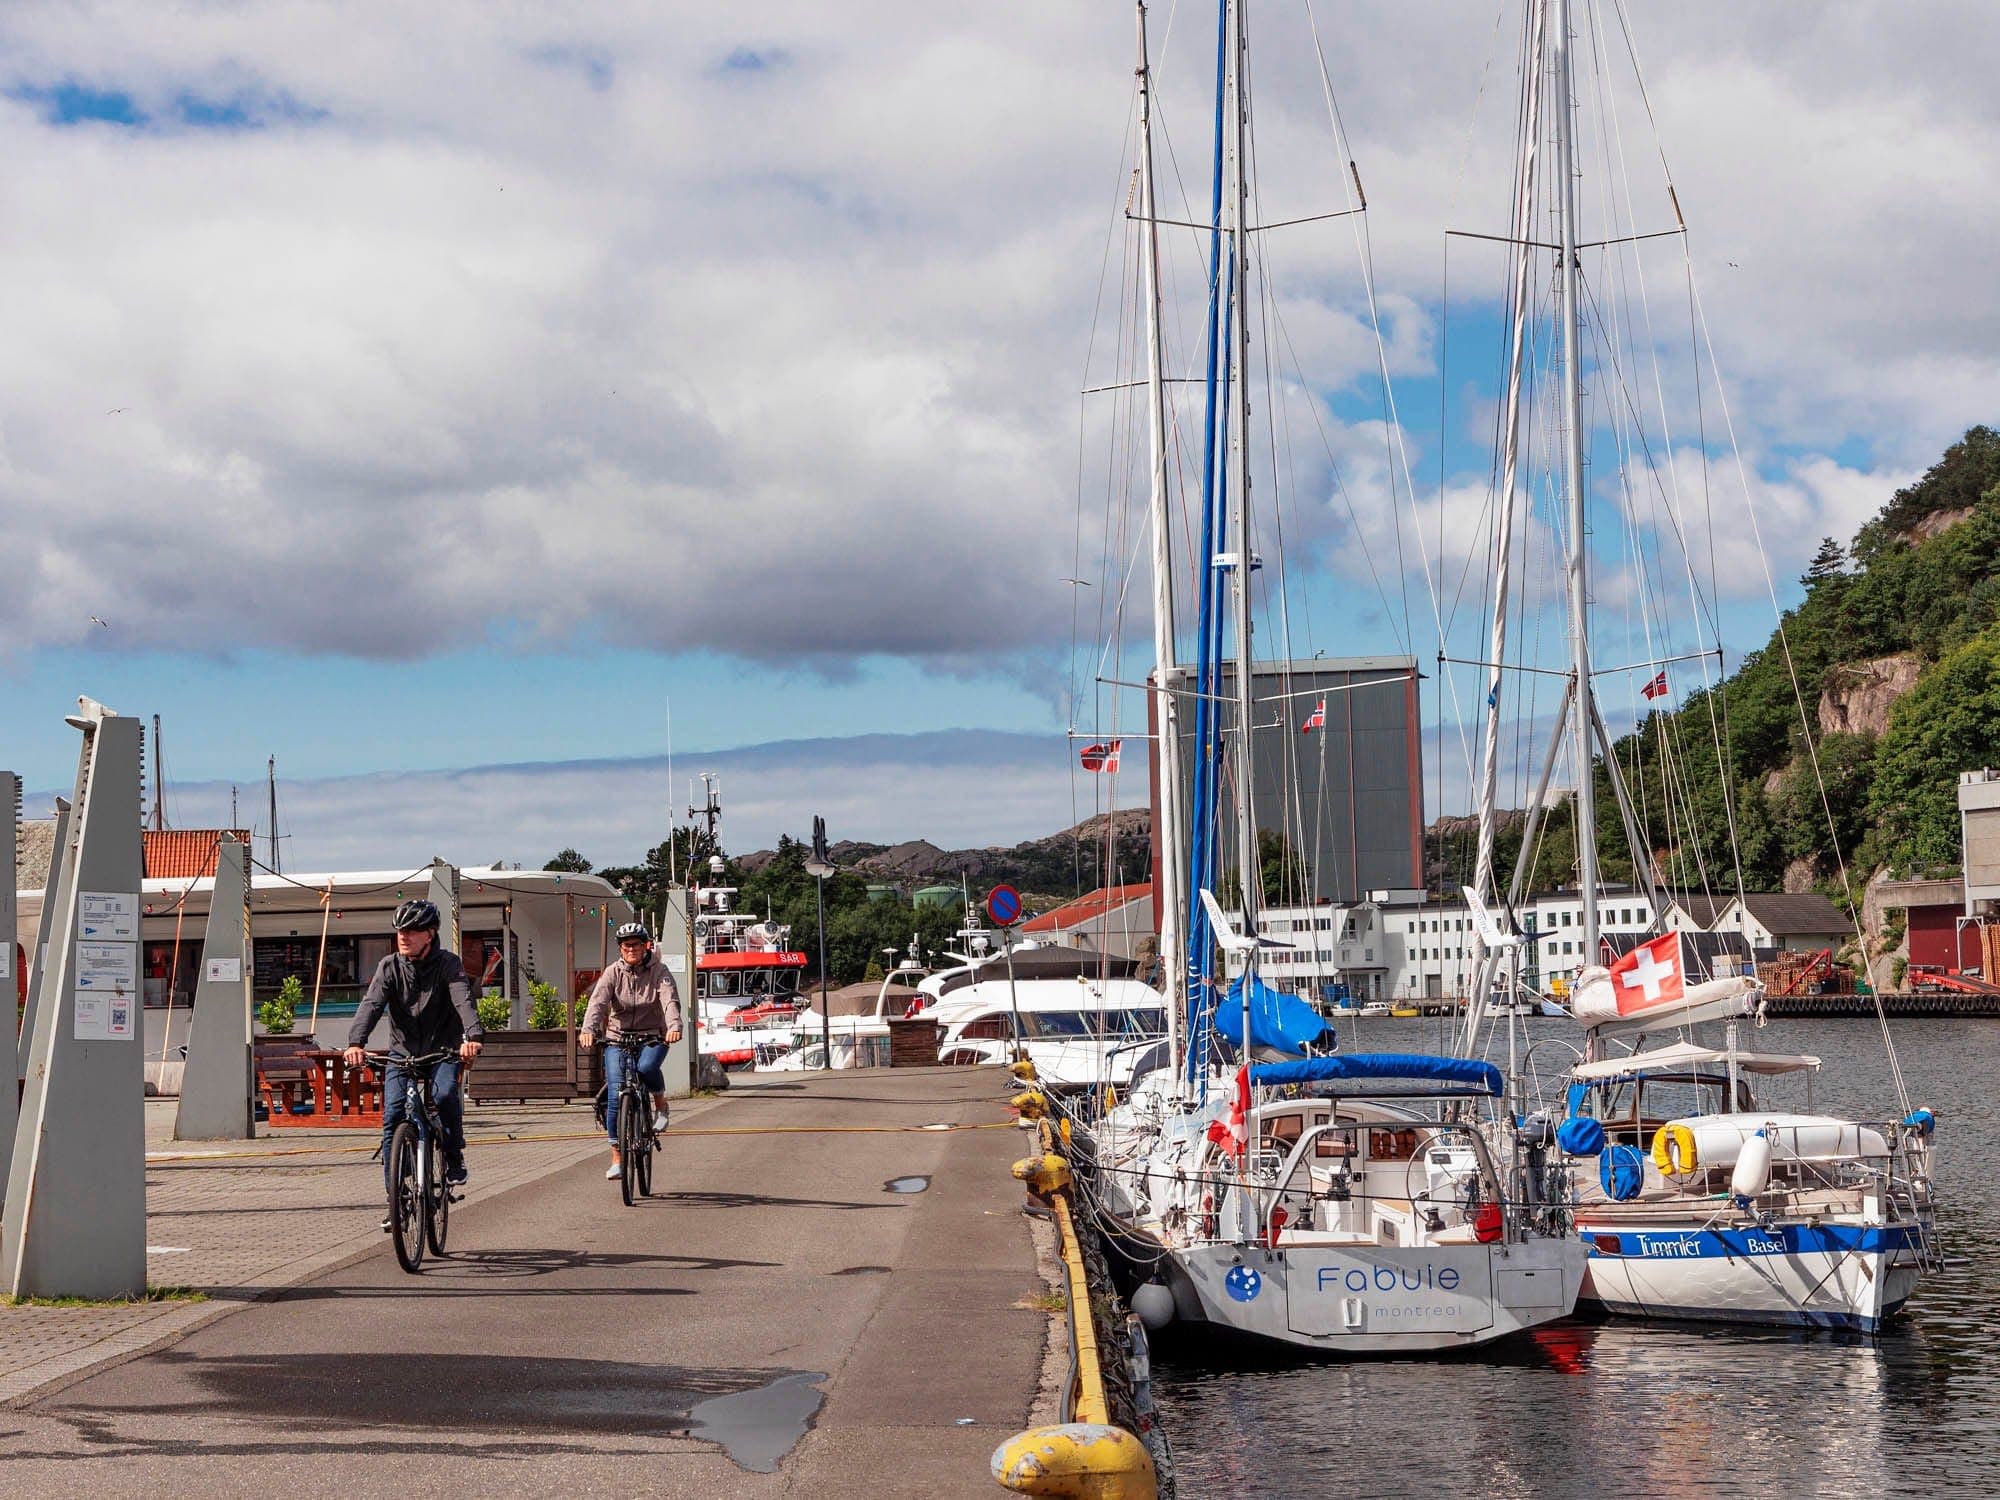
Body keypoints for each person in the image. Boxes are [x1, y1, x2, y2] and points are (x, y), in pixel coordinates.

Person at [344, 899, 483, 1223]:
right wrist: (355, 1042)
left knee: (445, 1095)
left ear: (430, 934)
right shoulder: (389, 966)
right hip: (402, 1053)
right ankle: (397, 1200)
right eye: (400, 931)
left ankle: (453, 1154)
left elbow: (463, 999)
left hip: (442, 1051)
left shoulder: (449, 964)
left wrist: (473, 1037)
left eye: (411, 930)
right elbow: (371, 1004)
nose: (403, 936)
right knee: (393, 1115)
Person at [579, 920, 684, 1181]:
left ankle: (660, 1105)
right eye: (626, 946)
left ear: (646, 946)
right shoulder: (613, 972)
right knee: (615, 1094)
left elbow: (669, 1000)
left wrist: (674, 1026)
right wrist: (588, 1030)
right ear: (621, 949)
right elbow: (598, 1003)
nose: (631, 949)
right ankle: (616, 1156)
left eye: (636, 945)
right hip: (618, 1037)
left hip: (652, 1036)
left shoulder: (660, 971)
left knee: (646, 1068)